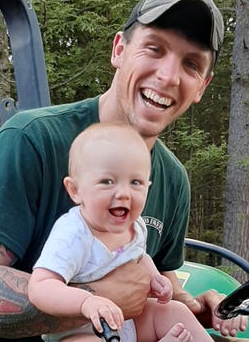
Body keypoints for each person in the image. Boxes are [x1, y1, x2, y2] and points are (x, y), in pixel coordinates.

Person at [0, 0, 248, 341]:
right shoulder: (31, 141)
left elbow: (155, 286)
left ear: (202, 87)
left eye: (191, 64)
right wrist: (97, 297)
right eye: (154, 48)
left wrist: (197, 308)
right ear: (119, 50)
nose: (167, 76)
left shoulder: (173, 179)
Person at [29, 122, 215, 342]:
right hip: (81, 328)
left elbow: (140, 256)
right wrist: (86, 302)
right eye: (107, 181)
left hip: (129, 322)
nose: (124, 193)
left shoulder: (135, 226)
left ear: (148, 185)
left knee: (176, 312)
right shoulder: (73, 233)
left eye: (135, 182)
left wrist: (156, 279)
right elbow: (40, 286)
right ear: (75, 190)